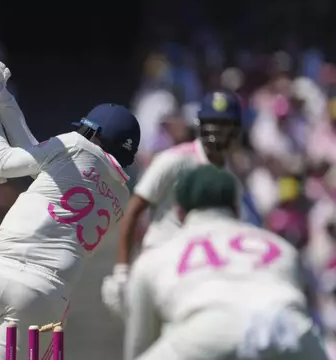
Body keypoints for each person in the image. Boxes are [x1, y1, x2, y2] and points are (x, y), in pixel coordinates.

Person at [0, 56, 140, 360]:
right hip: (40, 293)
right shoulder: (120, 198)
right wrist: (1, 97)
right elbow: (38, 159)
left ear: (92, 133)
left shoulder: (74, 145)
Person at [123, 165, 327, 360]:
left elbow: (139, 345)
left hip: (209, 331)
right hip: (288, 329)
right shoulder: (282, 248)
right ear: (237, 208)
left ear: (179, 213)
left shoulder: (158, 256)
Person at [101, 90, 244, 316]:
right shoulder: (173, 160)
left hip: (196, 272)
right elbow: (135, 209)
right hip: (161, 262)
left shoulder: (230, 178)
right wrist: (122, 270)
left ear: (235, 129)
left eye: (223, 123)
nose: (217, 130)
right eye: (211, 122)